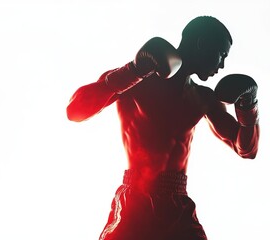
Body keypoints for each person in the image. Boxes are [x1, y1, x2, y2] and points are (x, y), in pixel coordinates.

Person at [66, 16, 260, 240]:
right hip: (135, 200)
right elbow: (75, 111)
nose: (222, 65)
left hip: (178, 206)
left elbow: (246, 149)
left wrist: (249, 106)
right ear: (201, 45)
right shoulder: (136, 81)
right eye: (221, 55)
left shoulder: (204, 97)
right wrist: (133, 71)